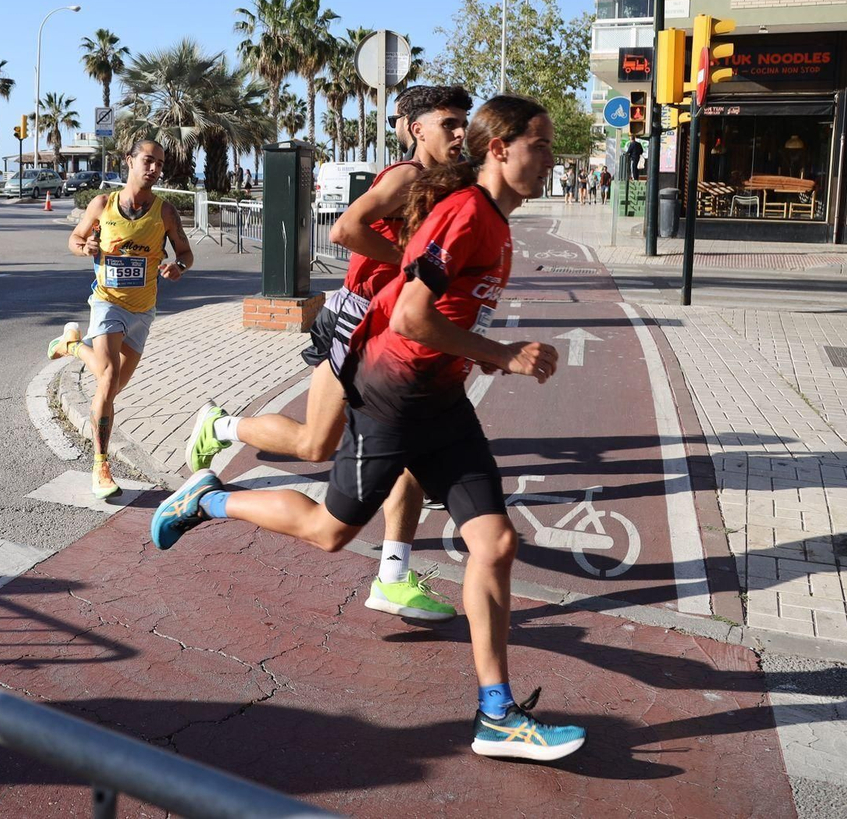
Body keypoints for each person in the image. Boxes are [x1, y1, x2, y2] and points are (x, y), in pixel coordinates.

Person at [151, 96, 586, 763]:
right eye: (543, 144)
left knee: (495, 543)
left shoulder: (495, 220)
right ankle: (208, 499)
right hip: (391, 399)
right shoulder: (467, 212)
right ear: (501, 149)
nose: (552, 159)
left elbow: (437, 307)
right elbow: (410, 315)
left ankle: (496, 714)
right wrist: (501, 354)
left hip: (441, 404)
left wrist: (476, 355)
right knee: (329, 531)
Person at [182, 85, 474, 621]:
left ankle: (393, 576)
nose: (460, 132)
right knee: (316, 445)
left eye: (464, 123)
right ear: (417, 130)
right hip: (355, 320)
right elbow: (345, 230)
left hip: (391, 332)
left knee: (403, 448)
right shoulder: (406, 177)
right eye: (449, 123)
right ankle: (220, 431)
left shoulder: (445, 185)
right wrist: (412, 263)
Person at [47, 140, 194, 499]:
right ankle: (100, 466)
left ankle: (71, 346)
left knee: (111, 386)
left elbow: (186, 252)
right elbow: (75, 238)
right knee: (109, 378)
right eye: (148, 161)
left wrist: (179, 266)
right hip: (107, 303)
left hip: (143, 310)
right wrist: (84, 247)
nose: (154, 169)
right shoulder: (103, 204)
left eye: (160, 164)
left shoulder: (165, 212)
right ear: (129, 161)